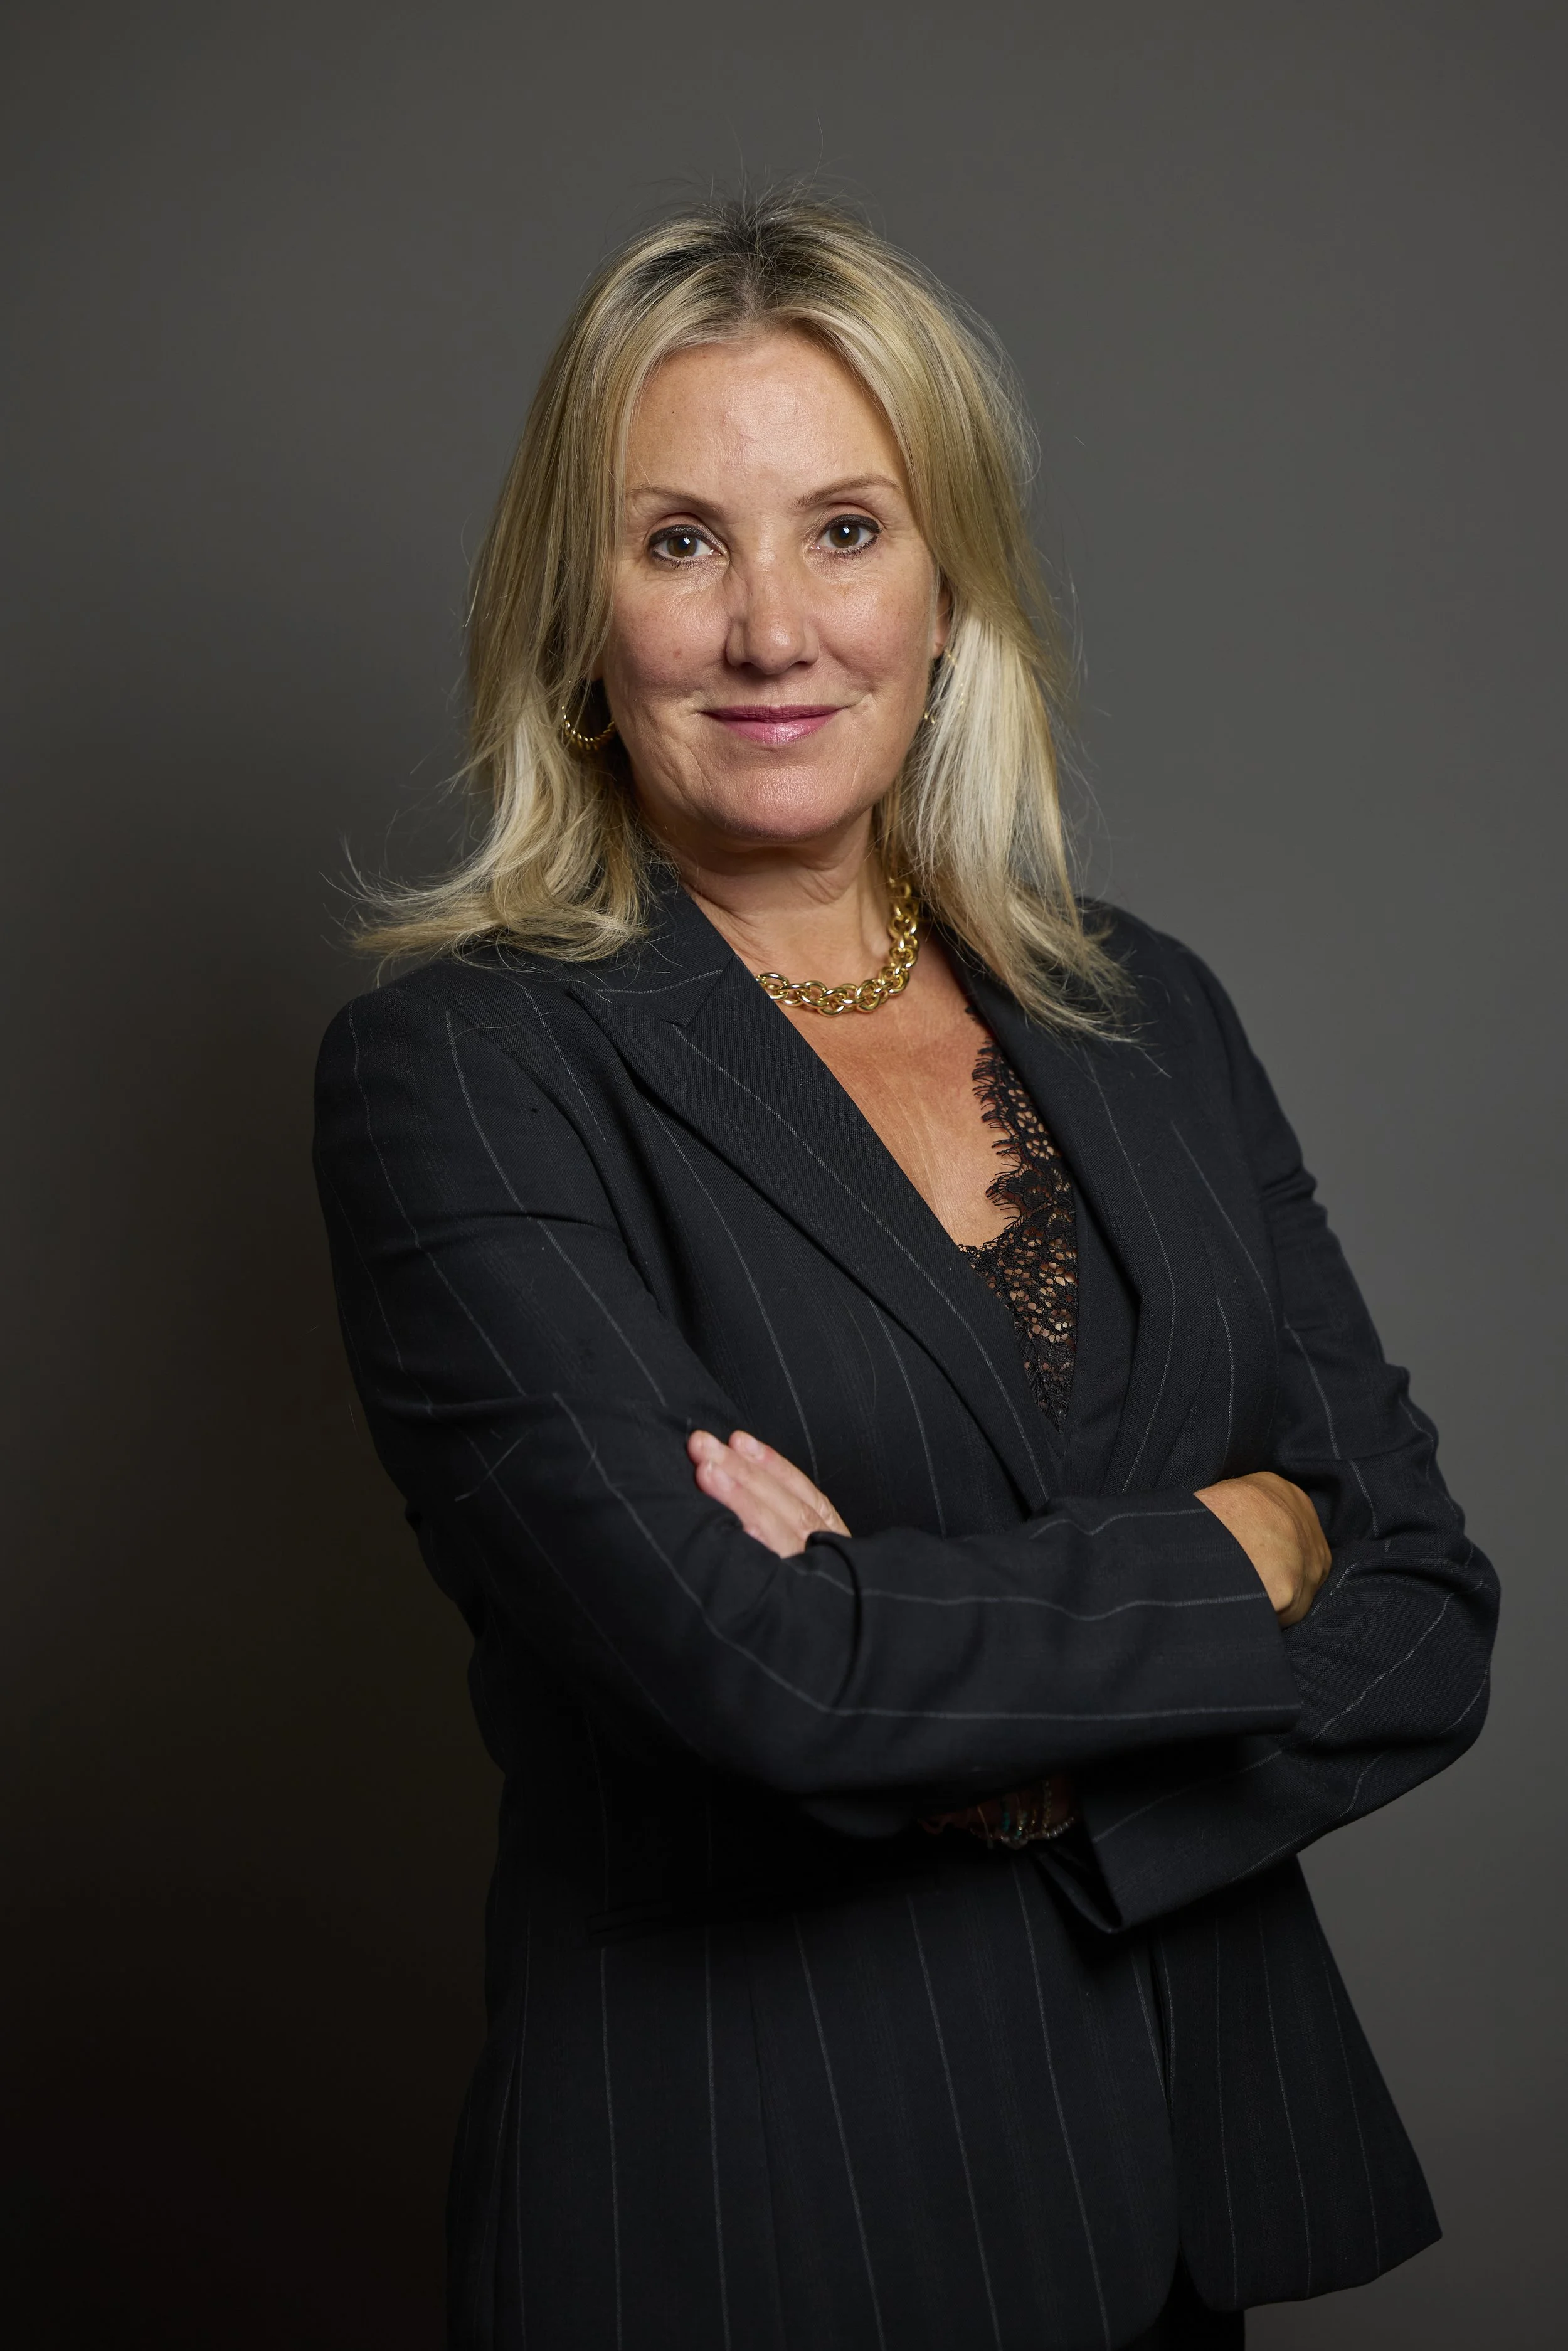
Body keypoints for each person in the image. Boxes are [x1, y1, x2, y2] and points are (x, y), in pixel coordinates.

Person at [314, 191, 1497, 2351]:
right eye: (679, 541)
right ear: (574, 614)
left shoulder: (1151, 1013)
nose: (771, 625)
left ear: (950, 589)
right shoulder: (465, 1069)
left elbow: (1427, 1611)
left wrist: (981, 1713)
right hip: (755, 2230)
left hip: (1171, 2213)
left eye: (843, 528)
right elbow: (763, 1675)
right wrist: (1243, 1550)